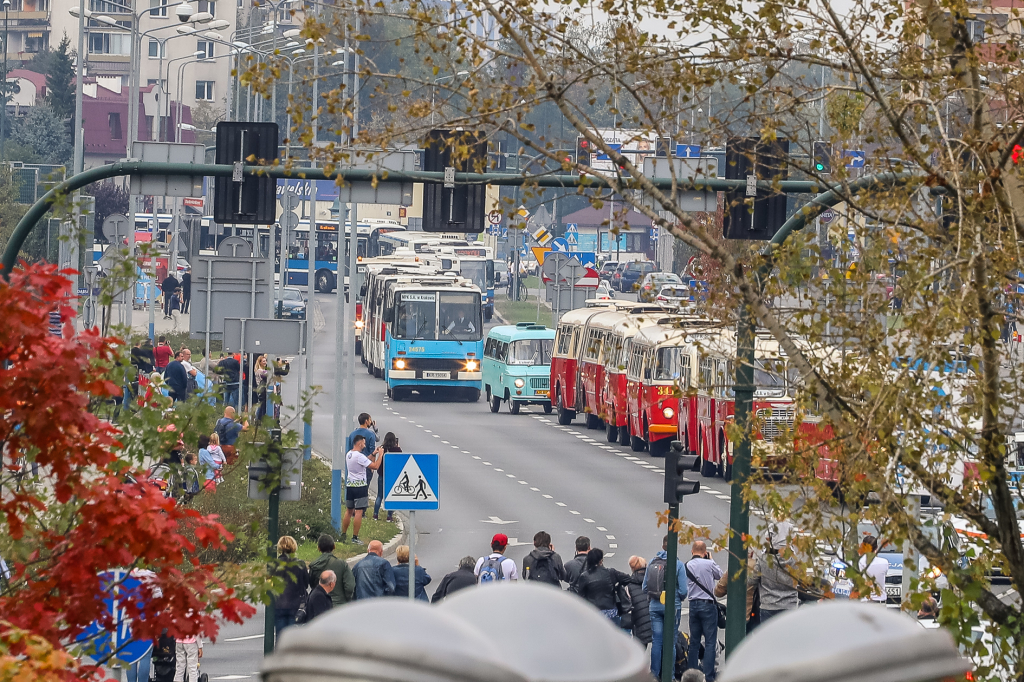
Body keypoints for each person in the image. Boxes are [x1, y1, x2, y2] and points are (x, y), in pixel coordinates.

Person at [685, 540, 723, 682]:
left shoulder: (687, 565)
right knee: (710, 642)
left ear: (692, 551)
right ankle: (708, 676)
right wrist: (711, 560)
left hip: (693, 605)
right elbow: (720, 576)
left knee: (694, 641)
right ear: (705, 552)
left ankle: (692, 675)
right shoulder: (709, 563)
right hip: (708, 605)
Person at [747, 523, 799, 624]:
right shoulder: (794, 561)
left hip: (768, 605)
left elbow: (751, 580)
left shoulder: (763, 560)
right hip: (789, 606)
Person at [342, 434, 383, 545]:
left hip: (350, 485)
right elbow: (374, 466)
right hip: (360, 487)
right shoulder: (359, 456)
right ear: (360, 443)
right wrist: (380, 456)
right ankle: (355, 537)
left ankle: (343, 534)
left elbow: (365, 461)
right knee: (359, 511)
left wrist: (373, 454)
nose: (364, 445)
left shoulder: (349, 454)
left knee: (349, 510)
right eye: (364, 443)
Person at [573, 548, 631, 623]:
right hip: (610, 611)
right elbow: (627, 578)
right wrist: (618, 586)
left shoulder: (584, 576)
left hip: (593, 612)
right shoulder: (610, 572)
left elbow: (580, 596)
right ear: (601, 560)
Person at [272, 536, 308, 639]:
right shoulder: (300, 564)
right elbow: (306, 584)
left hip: (278, 605)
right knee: (293, 639)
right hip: (295, 606)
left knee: (280, 637)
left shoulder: (274, 564)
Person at [308, 534, 356, 607]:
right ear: (334, 546)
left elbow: (313, 586)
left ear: (318, 548)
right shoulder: (342, 564)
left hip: (320, 605)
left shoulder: (314, 565)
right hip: (339, 606)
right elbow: (350, 587)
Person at [625, 556, 653, 648]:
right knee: (658, 644)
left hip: (639, 621)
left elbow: (627, 605)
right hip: (655, 617)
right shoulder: (653, 579)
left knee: (640, 647)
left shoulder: (629, 585)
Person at [346, 413, 378, 485]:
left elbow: (349, 449)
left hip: (354, 465)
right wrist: (372, 467)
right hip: (366, 465)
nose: (371, 422)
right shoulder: (370, 434)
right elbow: (372, 450)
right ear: (366, 421)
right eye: (370, 420)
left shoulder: (352, 434)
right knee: (364, 488)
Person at [375, 432, 401, 521]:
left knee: (379, 496)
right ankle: (389, 516)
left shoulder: (382, 449)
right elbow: (400, 461)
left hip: (382, 475)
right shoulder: (397, 450)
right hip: (392, 477)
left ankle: (375, 515)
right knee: (391, 496)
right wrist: (398, 447)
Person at [858, 535, 889, 603]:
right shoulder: (884, 562)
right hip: (880, 602)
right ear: (876, 548)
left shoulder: (861, 562)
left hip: (866, 602)